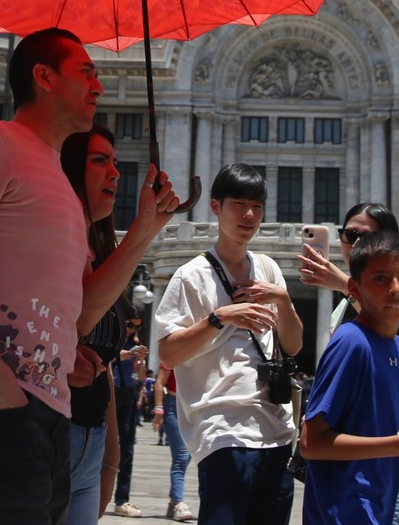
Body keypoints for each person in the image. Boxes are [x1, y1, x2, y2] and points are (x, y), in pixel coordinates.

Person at [0, 28, 178, 525]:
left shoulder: (61, 185)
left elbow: (81, 314)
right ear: (44, 77)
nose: (99, 86)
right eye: (86, 72)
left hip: (47, 419)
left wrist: (144, 230)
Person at [155, 163, 304, 525]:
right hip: (222, 432)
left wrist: (282, 300)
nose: (249, 215)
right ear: (216, 207)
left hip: (276, 433)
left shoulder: (268, 270)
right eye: (239, 204)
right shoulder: (190, 276)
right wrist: (220, 317)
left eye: (257, 206)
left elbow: (293, 346)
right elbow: (168, 353)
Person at [59, 123, 175, 524]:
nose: (115, 173)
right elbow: (78, 320)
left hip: (89, 444)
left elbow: (101, 366)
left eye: (116, 163)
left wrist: (110, 457)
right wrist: (144, 229)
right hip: (47, 434)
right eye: (99, 161)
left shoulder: (102, 251)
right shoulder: (50, 242)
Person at [300, 231, 399, 525]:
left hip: (378, 507)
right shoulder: (351, 342)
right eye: (381, 278)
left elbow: (395, 430)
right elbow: (311, 442)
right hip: (340, 512)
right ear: (354, 289)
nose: (396, 289)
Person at [111, 309, 148, 517]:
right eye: (130, 324)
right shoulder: (111, 337)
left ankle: (122, 499)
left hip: (128, 393)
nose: (132, 330)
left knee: (127, 448)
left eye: (137, 326)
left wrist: (140, 360)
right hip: (109, 393)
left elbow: (140, 377)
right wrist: (118, 355)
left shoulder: (133, 343)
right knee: (100, 445)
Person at [152, 364, 195, 521]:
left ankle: (173, 502)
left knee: (188, 456)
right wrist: (158, 410)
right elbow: (159, 383)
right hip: (174, 406)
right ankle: (178, 502)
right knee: (181, 456)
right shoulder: (173, 355)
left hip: (194, 407)